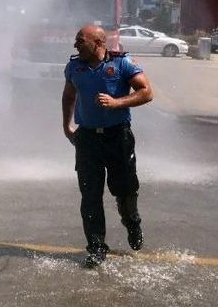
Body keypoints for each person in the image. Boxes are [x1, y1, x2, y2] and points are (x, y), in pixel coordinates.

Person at [62, 25, 154, 268]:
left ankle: (132, 222)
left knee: (124, 190)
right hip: (87, 139)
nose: (76, 45)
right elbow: (68, 97)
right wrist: (66, 126)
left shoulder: (122, 64)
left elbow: (146, 92)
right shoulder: (74, 67)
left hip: (118, 137)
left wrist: (117, 103)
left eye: (80, 40)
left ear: (98, 43)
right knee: (90, 195)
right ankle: (96, 247)